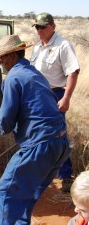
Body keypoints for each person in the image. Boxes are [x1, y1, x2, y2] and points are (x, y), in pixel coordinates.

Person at [0, 34, 70, 225]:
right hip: (61, 144)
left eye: (4, 58)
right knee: (26, 193)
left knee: (5, 193)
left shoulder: (13, 77)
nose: (2, 63)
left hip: (40, 145)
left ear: (13, 56)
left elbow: (5, 124)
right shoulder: (34, 72)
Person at [30, 12, 80, 192]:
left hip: (55, 95)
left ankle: (66, 175)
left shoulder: (63, 45)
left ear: (53, 26)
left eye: (43, 26)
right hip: (36, 96)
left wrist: (66, 97)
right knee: (37, 134)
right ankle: (42, 172)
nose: (40, 30)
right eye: (37, 27)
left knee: (58, 135)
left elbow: (72, 72)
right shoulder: (37, 47)